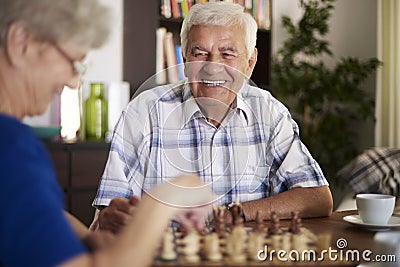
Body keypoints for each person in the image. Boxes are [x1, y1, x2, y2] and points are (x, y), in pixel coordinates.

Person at [0, 0, 213, 266]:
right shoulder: (11, 146)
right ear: (21, 42)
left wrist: (83, 236)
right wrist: (169, 196)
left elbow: (25, 210)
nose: (73, 81)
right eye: (73, 63)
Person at [92, 1, 333, 233]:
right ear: (185, 61)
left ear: (250, 63)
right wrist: (115, 217)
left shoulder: (270, 112)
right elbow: (108, 213)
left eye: (228, 54)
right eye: (200, 53)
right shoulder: (143, 113)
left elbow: (317, 198)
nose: (213, 67)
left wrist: (233, 214)